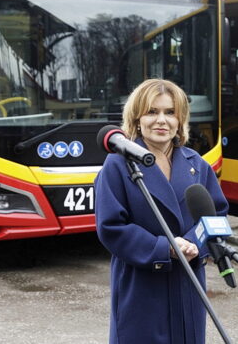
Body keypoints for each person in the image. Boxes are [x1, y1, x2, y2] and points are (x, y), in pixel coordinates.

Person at [95, 78, 228, 344]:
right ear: (137, 119)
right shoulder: (118, 165)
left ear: (180, 120)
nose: (161, 121)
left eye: (170, 113)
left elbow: (216, 215)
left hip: (187, 282)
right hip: (142, 285)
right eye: (152, 112)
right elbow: (111, 227)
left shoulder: (197, 164)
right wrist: (164, 248)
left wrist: (193, 244)